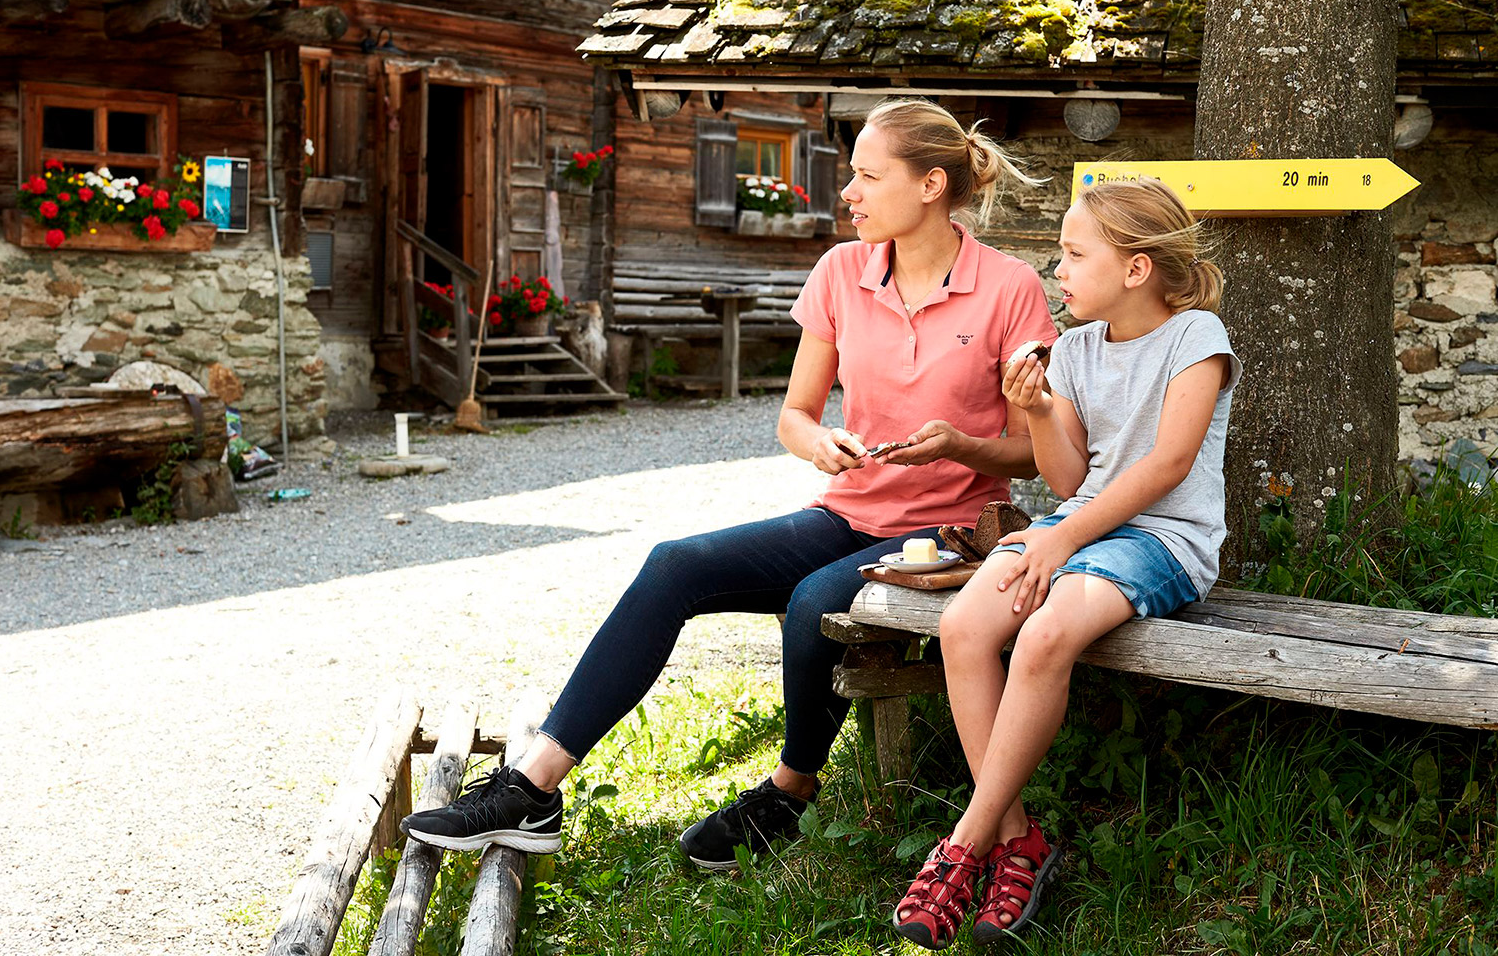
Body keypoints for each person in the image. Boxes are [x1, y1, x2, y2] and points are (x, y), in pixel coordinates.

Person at [401, 98, 1059, 871]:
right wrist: (821, 444)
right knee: (673, 564)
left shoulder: (1008, 287)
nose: (847, 191)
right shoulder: (841, 272)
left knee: (813, 602)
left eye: (868, 177)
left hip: (945, 535)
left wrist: (961, 445)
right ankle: (533, 788)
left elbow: (1033, 455)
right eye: (851, 175)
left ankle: (791, 788)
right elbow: (795, 416)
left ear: (930, 185)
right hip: (848, 513)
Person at [889, 176, 1242, 948]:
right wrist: (1039, 409)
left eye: (1076, 255)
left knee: (1046, 634)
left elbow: (1168, 465)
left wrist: (1062, 539)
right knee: (964, 626)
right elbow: (1069, 479)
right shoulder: (1075, 349)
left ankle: (964, 843)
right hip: (1080, 526)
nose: (1059, 270)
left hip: (1164, 539)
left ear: (1137, 268)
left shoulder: (1196, 337)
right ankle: (1018, 838)